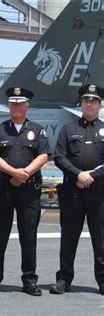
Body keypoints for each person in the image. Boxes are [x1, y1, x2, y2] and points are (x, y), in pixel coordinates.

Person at [0, 87, 49, 296]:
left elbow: (43, 155)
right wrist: (14, 172)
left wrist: (25, 174)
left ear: (27, 106)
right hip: (3, 188)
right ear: (9, 106)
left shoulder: (38, 130)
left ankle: (29, 279)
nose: (17, 107)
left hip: (29, 190)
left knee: (28, 236)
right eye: (13, 103)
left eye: (20, 103)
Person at [50, 84, 104, 295]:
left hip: (99, 192)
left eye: (94, 101)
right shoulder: (68, 129)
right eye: (86, 100)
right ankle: (64, 279)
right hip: (72, 192)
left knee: (101, 239)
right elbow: (59, 157)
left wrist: (90, 176)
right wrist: (77, 174)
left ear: (99, 105)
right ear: (80, 104)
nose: (89, 104)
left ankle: (102, 280)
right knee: (69, 237)